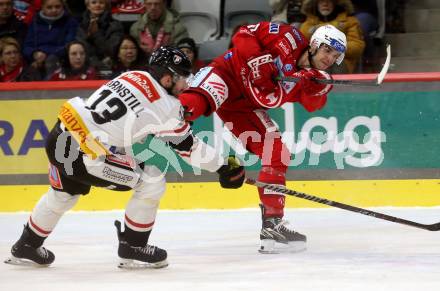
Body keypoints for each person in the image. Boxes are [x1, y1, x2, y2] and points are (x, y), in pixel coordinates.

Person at [4, 46, 245, 268]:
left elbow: (123, 127)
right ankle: (133, 245)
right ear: (167, 77)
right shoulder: (167, 107)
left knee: (62, 195)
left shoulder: (131, 76)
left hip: (60, 136)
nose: (185, 84)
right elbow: (189, 148)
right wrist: (225, 167)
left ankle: (27, 245)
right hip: (87, 155)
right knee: (151, 180)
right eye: (183, 77)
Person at [179, 22, 346, 254]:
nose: (329, 58)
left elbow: (313, 105)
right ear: (315, 44)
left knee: (277, 153)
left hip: (244, 109)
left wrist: (316, 88)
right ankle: (157, 122)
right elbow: (243, 34)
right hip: (226, 74)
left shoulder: (315, 77)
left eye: (335, 56)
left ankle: (272, 224)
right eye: (327, 50)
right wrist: (259, 61)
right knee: (190, 106)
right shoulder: (289, 36)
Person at [299, 0, 364, 73]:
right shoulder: (307, 25)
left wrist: (334, 45)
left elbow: (357, 47)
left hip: (340, 64)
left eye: (329, 1)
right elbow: (301, 46)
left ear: (336, 3)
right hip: (312, 63)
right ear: (315, 4)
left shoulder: (350, 22)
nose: (325, 4)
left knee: (331, 60)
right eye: (321, 1)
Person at [22, 0, 78, 79]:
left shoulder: (70, 22)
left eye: (57, 7)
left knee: (51, 61)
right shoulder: (35, 22)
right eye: (49, 7)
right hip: (36, 61)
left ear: (63, 6)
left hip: (61, 61)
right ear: (42, 8)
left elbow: (69, 45)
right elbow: (27, 46)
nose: (54, 10)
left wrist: (45, 55)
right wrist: (34, 54)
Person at [76, 0, 124, 71]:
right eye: (94, 2)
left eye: (101, 2)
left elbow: (112, 50)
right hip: (85, 67)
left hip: (109, 67)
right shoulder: (79, 26)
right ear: (88, 6)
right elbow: (82, 49)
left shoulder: (116, 25)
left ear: (106, 6)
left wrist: (96, 34)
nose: (98, 5)